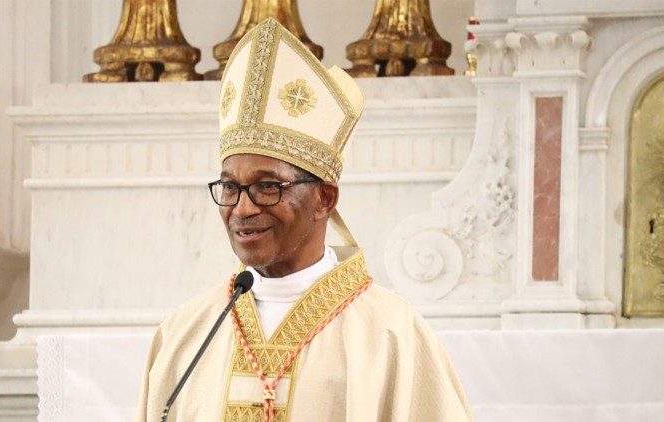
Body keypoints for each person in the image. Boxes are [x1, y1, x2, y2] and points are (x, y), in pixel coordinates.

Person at [135, 18, 473, 422]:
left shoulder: (390, 335)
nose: (242, 208)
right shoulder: (185, 335)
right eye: (230, 187)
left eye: (267, 186)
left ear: (324, 198)